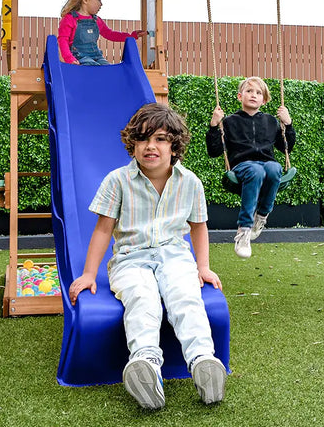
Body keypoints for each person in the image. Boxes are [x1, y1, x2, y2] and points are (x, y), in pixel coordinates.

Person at [69, 103, 226, 410]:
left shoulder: (190, 182)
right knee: (142, 299)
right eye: (142, 139)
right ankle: (147, 365)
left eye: (161, 139)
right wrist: (89, 274)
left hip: (175, 257)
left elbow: (199, 227)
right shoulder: (117, 180)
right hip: (131, 259)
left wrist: (203, 267)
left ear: (175, 145)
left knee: (185, 296)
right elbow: (103, 230)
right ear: (133, 144)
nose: (150, 146)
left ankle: (203, 361)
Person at [206, 76, 295, 259]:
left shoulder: (270, 121)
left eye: (258, 93)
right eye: (249, 91)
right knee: (256, 170)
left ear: (264, 99)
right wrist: (214, 125)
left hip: (266, 164)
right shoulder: (230, 122)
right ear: (240, 96)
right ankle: (244, 229)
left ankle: (261, 216)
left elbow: (287, 146)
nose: (253, 95)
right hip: (242, 166)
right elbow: (214, 151)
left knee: (274, 168)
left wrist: (288, 124)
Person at [57, 0, 146, 65]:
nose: (101, 4)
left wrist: (131, 36)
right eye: (99, 0)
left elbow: (110, 34)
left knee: (108, 68)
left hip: (96, 56)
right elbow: (63, 40)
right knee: (92, 66)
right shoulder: (70, 19)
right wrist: (69, 59)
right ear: (85, 0)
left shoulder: (96, 20)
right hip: (79, 58)